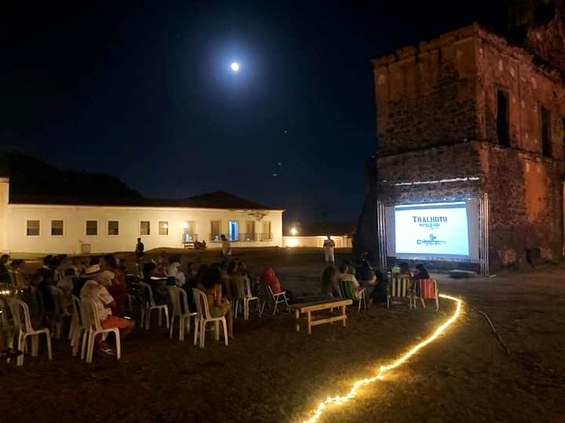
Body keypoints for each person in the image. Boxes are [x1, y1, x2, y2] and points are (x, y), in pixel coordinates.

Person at [80, 264, 135, 355]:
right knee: (131, 324)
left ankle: (102, 343)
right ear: (97, 276)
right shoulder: (99, 288)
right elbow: (113, 304)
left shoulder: (84, 288)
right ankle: (114, 344)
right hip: (101, 320)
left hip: (87, 319)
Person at [201, 267, 234, 338]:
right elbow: (218, 304)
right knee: (228, 309)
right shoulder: (218, 286)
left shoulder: (203, 285)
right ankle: (229, 332)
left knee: (223, 309)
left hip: (202, 312)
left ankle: (221, 332)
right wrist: (226, 304)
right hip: (212, 313)